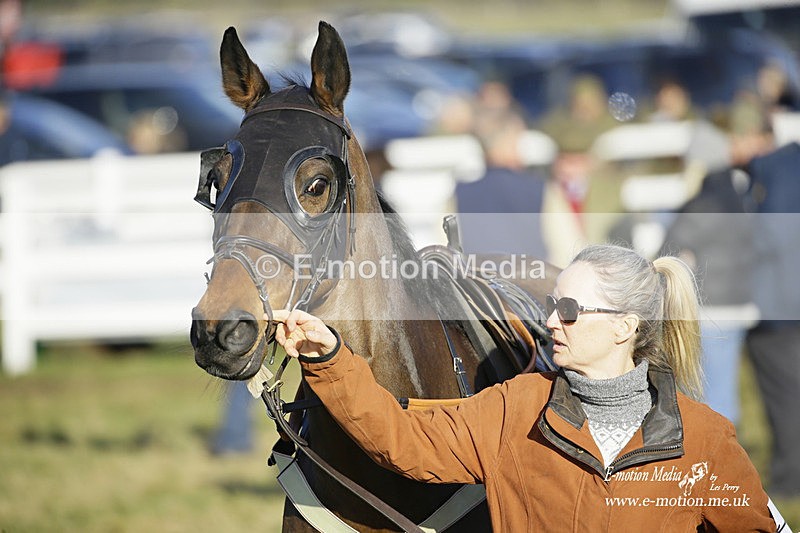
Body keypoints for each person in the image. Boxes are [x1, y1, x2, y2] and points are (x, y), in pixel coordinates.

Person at [271, 244, 778, 531]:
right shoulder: (514, 407)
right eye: (554, 305)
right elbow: (400, 440)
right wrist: (330, 358)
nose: (551, 321)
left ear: (625, 326)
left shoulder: (706, 440)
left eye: (571, 310)